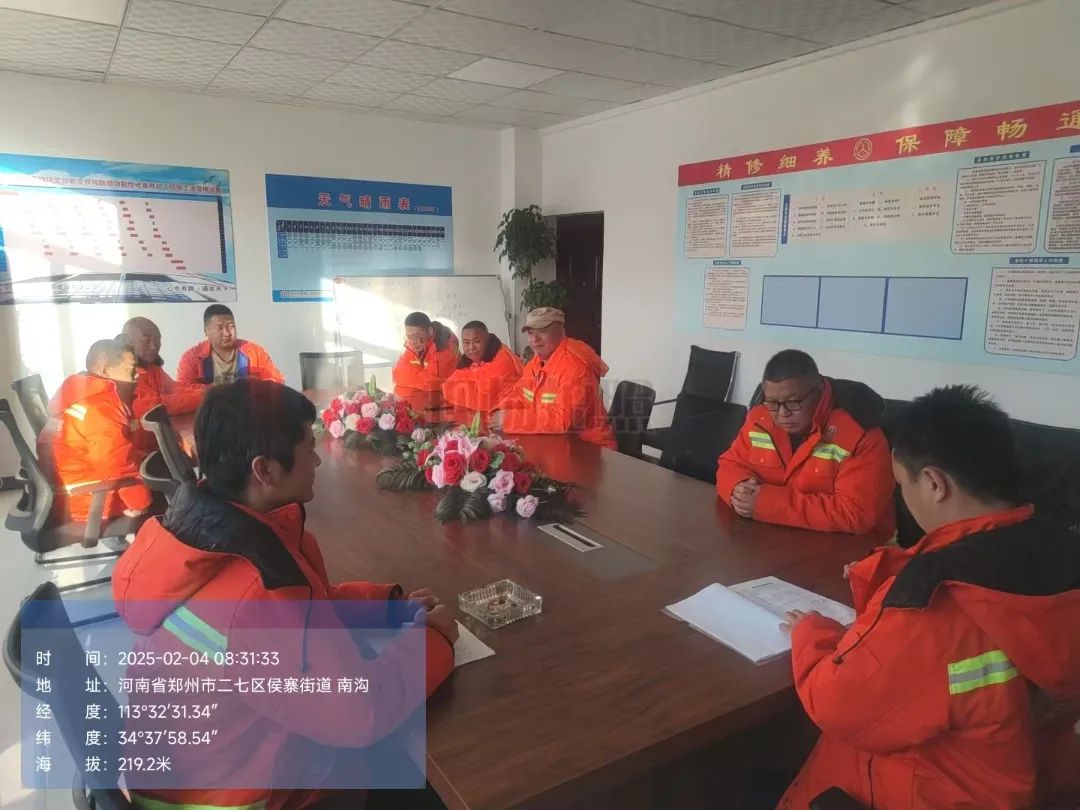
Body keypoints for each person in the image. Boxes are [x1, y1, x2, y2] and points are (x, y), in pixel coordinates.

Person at [112, 380, 458, 810]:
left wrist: (388, 608)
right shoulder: (255, 589)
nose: (316, 459)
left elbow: (305, 614)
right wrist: (435, 641)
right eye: (307, 448)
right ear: (265, 470)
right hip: (241, 797)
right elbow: (358, 713)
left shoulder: (211, 535)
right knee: (434, 776)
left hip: (209, 768)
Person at [778, 386, 1080, 809]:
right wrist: (896, 573)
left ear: (936, 483)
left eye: (902, 484)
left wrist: (811, 632)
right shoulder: (1060, 550)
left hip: (929, 789)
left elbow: (838, 704)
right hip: (1022, 776)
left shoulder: (935, 606)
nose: (902, 496)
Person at [715, 349, 894, 538]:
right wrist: (738, 489)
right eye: (772, 403)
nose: (782, 413)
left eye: (793, 402)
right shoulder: (760, 418)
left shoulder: (859, 433)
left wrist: (766, 504)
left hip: (852, 546)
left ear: (819, 391)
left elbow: (856, 513)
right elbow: (729, 464)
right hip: (776, 537)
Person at [42, 339, 153, 521]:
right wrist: (140, 503)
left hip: (76, 493)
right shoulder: (99, 408)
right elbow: (117, 465)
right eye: (131, 369)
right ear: (105, 371)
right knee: (165, 501)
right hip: (89, 501)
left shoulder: (85, 396)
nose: (137, 375)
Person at [490, 307, 616, 449]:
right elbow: (519, 394)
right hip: (556, 442)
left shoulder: (575, 367)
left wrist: (509, 419)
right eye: (530, 332)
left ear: (562, 332)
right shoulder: (536, 362)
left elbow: (563, 421)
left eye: (542, 331)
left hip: (589, 448)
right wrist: (498, 411)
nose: (534, 339)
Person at [176, 304, 284, 386]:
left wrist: (251, 389)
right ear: (206, 331)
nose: (227, 333)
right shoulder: (191, 358)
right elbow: (183, 392)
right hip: (210, 407)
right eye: (220, 328)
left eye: (231, 326)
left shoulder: (255, 352)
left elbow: (277, 381)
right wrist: (213, 392)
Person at [120, 316, 207, 418]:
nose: (153, 346)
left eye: (157, 340)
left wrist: (209, 390)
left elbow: (173, 388)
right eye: (146, 340)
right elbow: (155, 406)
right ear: (127, 341)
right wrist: (204, 397)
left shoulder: (151, 366)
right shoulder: (123, 372)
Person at [441, 320, 523, 415]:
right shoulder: (470, 359)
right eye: (466, 342)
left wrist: (467, 388)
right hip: (483, 416)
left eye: (477, 341)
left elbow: (483, 401)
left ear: (487, 340)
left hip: (508, 417)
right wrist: (473, 389)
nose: (471, 348)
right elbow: (447, 387)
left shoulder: (503, 359)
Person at [392, 311, 458, 412]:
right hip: (423, 405)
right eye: (409, 337)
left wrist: (411, 375)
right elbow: (396, 373)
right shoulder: (415, 344)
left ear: (430, 331)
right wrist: (421, 377)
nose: (413, 342)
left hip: (446, 408)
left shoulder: (444, 347)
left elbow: (431, 383)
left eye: (416, 336)